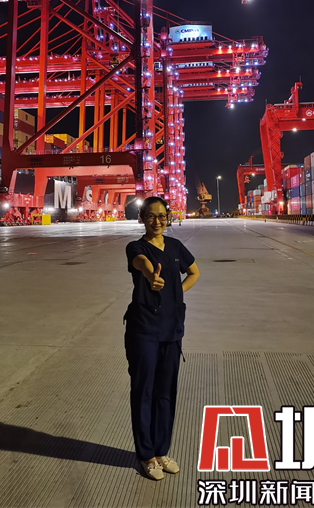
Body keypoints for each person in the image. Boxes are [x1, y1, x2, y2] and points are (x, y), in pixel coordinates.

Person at [124, 196, 200, 480]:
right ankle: (146, 456)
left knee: (166, 393)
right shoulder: (136, 247)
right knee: (143, 392)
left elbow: (194, 272)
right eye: (151, 216)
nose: (157, 221)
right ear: (142, 218)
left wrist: (176, 292)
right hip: (143, 329)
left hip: (172, 330)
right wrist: (150, 276)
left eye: (162, 216)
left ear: (168, 217)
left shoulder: (176, 246)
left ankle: (161, 451)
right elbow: (141, 263)